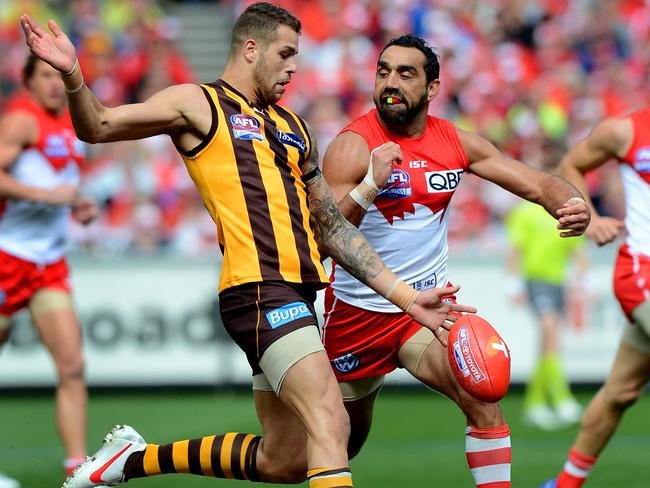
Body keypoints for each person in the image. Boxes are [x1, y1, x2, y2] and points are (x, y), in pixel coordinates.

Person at [20, 4, 474, 488]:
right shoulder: (199, 103)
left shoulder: (296, 127)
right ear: (251, 49)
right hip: (258, 289)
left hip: (298, 295)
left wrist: (406, 299)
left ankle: (131, 459)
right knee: (331, 421)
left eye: (297, 56)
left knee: (286, 461)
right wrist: (72, 74)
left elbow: (334, 231)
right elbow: (99, 125)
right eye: (285, 54)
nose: (294, 66)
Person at [319, 35, 590, 488]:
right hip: (356, 317)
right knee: (329, 448)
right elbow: (323, 238)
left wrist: (571, 201)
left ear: (432, 89)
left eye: (406, 74)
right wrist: (369, 184)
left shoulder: (453, 141)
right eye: (383, 71)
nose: (390, 82)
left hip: (424, 316)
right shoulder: (352, 145)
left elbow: (535, 182)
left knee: (482, 396)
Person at [0, 53, 98, 478]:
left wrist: (78, 207)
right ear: (28, 81)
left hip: (49, 263)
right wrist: (45, 198)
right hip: (8, 256)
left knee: (72, 366)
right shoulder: (23, 119)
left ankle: (77, 471)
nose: (55, 84)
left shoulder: (74, 121)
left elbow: (59, 185)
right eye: (45, 75)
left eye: (60, 75)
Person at [541, 110, 649, 487]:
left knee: (621, 391)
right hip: (642, 270)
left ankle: (565, 483)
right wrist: (592, 217)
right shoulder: (625, 130)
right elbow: (571, 164)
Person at [505, 147, 588, 430]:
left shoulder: (562, 210)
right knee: (550, 332)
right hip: (536, 279)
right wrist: (513, 281)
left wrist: (584, 277)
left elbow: (576, 248)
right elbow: (515, 250)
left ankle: (535, 403)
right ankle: (562, 398)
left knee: (549, 342)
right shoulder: (525, 212)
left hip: (558, 281)